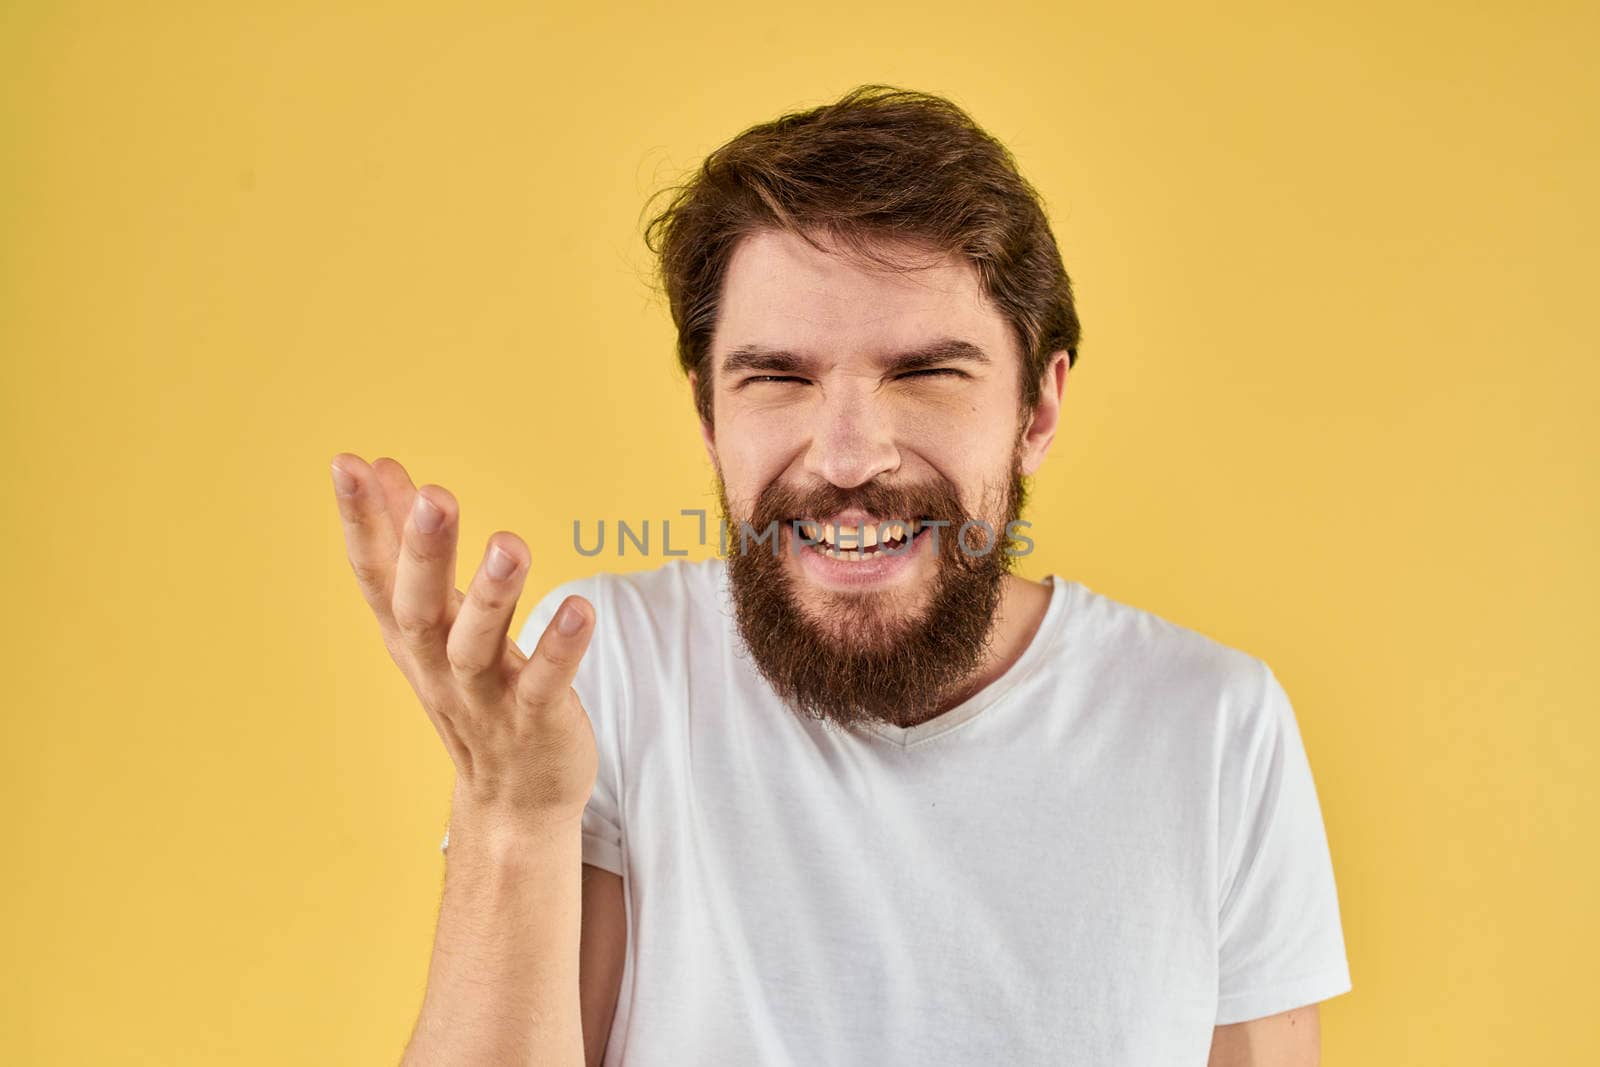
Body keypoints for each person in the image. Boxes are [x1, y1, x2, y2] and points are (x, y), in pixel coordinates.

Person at [329, 85, 1350, 1066]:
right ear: (708, 416)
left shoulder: (1215, 725)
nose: (849, 455)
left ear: (1036, 410)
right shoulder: (611, 673)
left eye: (924, 372)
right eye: (777, 377)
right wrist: (513, 812)